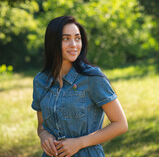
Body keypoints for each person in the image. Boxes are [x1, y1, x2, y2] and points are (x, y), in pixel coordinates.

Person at [31, 15, 128, 157]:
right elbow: (41, 125)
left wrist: (80, 142)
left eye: (77, 38)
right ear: (53, 43)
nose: (74, 44)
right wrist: (44, 135)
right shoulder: (40, 81)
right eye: (66, 38)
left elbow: (120, 124)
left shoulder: (93, 78)